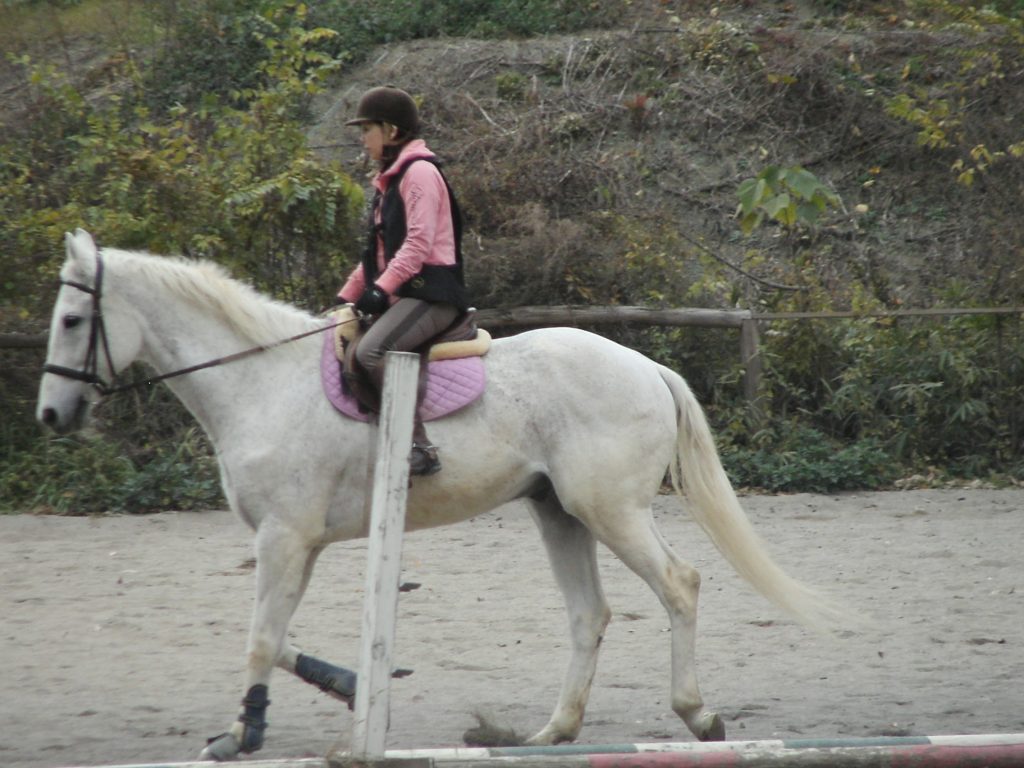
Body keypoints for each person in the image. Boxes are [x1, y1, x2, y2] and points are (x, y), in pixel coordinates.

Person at [336, 85, 468, 477]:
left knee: (370, 352)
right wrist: (345, 298)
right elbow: (377, 255)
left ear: (391, 131)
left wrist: (382, 290)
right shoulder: (389, 182)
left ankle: (418, 445)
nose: (363, 140)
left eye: (367, 130)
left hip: (433, 295)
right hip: (407, 295)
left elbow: (418, 244)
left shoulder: (420, 173)